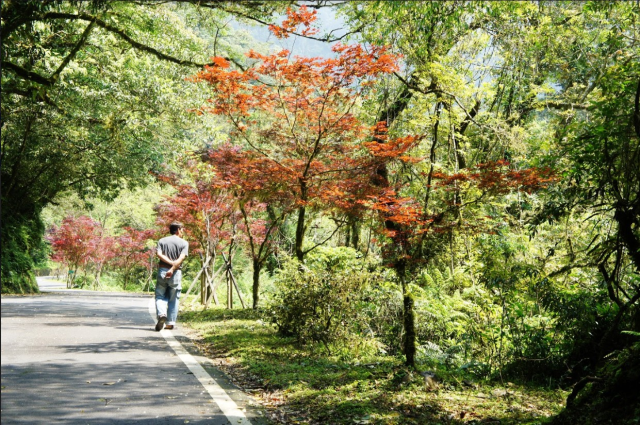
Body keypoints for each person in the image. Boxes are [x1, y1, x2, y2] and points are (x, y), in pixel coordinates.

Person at [155, 222, 188, 331]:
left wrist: (169, 264)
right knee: (174, 298)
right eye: (182, 229)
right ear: (178, 229)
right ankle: (170, 323)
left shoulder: (162, 241)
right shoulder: (184, 243)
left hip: (162, 271)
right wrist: (173, 267)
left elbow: (159, 254)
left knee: (160, 296)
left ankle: (161, 314)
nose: (183, 231)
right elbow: (182, 258)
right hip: (176, 272)